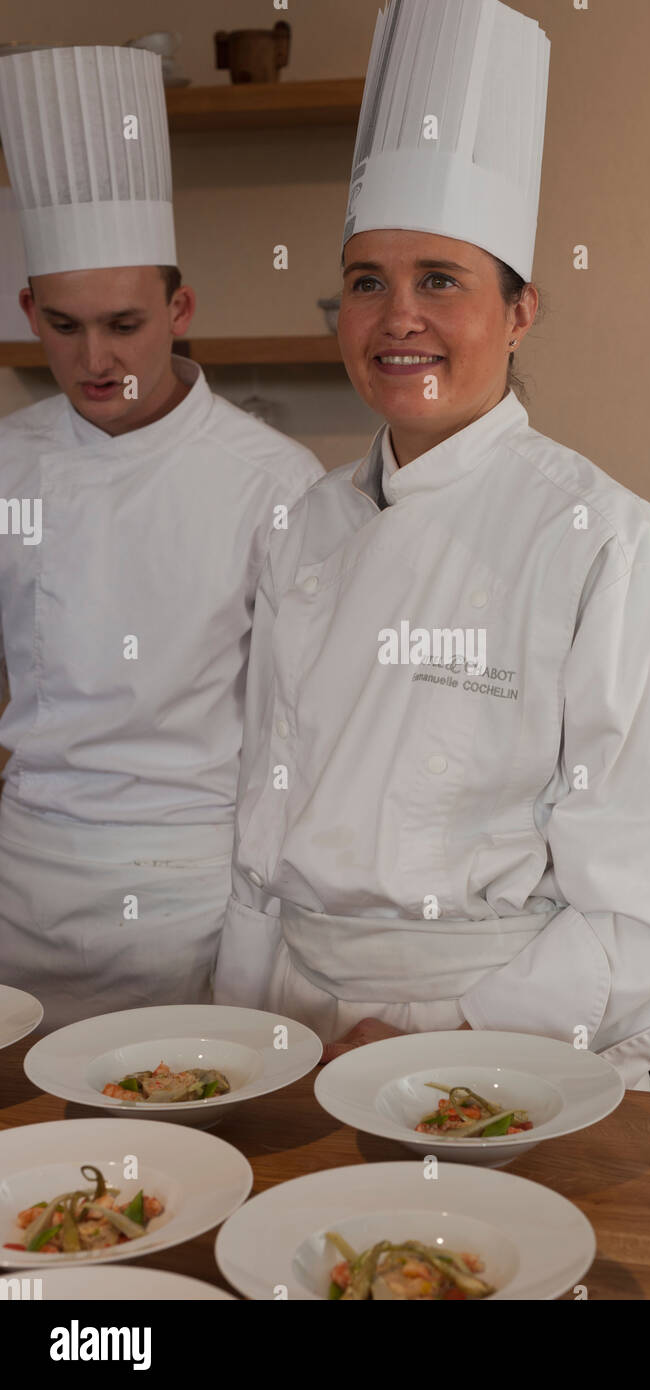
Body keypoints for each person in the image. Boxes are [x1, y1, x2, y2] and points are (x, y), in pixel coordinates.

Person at [214, 0, 650, 1090]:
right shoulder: (305, 527)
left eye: (440, 282)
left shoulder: (607, 550)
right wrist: (243, 1031)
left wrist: (450, 1035)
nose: (396, 318)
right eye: (368, 283)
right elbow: (263, 832)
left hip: (503, 1053)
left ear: (519, 313)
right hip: (291, 1027)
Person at [0, 45, 323, 1030]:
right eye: (64, 325)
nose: (94, 358)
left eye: (125, 324)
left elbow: (297, 733)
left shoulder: (275, 481)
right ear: (27, 312)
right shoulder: (6, 463)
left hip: (188, 889)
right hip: (23, 885)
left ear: (180, 311)